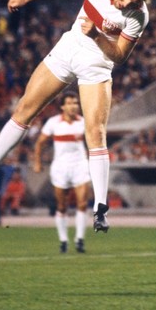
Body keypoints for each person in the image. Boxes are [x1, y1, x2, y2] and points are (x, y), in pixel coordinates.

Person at [0, 0, 156, 233]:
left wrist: (97, 36)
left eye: (133, 3)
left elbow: (121, 56)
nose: (126, 5)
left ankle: (100, 208)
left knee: (95, 132)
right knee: (23, 110)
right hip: (67, 50)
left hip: (96, 65)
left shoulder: (137, 15)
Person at [33, 91, 91, 253]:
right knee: (62, 205)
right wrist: (37, 162)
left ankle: (79, 239)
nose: (74, 106)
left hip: (80, 165)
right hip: (60, 167)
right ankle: (63, 240)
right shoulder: (53, 123)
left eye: (76, 103)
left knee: (82, 203)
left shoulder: (83, 122)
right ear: (62, 106)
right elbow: (40, 143)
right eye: (70, 103)